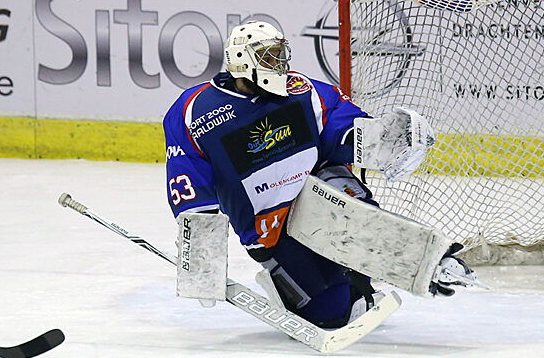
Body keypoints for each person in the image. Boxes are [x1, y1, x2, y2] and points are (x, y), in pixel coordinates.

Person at [162, 20, 476, 331]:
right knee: (333, 314)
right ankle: (305, 286)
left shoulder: (304, 91)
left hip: (320, 203)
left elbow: (345, 130)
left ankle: (419, 261)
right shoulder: (193, 111)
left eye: (279, 54)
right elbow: (189, 184)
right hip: (270, 229)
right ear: (243, 60)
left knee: (342, 191)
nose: (278, 64)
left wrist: (388, 140)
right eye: (268, 57)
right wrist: (202, 255)